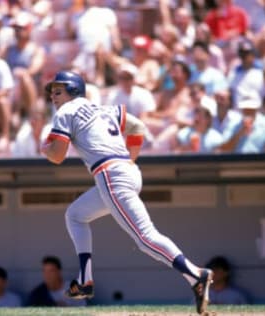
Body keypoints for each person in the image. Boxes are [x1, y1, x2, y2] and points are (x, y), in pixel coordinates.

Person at [41, 71, 213, 315]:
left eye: (58, 91)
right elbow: (138, 126)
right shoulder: (104, 109)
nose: (53, 97)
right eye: (51, 93)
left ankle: (196, 275)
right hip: (124, 171)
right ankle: (84, 281)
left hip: (111, 174)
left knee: (145, 238)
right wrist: (129, 159)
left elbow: (57, 155)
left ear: (73, 91)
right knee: (76, 215)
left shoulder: (66, 111)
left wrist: (45, 148)